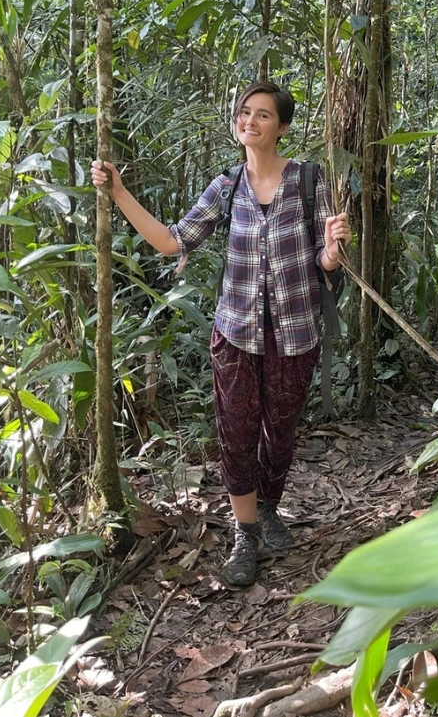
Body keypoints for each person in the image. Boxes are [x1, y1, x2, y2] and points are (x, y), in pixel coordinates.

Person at [90, 81, 351, 587]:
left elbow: (324, 259)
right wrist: (118, 191)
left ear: (283, 127)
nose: (250, 122)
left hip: (294, 334)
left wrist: (334, 252)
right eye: (244, 113)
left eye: (263, 115)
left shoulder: (309, 181)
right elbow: (171, 241)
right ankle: (246, 532)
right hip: (236, 333)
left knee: (280, 432)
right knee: (236, 433)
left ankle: (270, 509)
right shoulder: (226, 185)